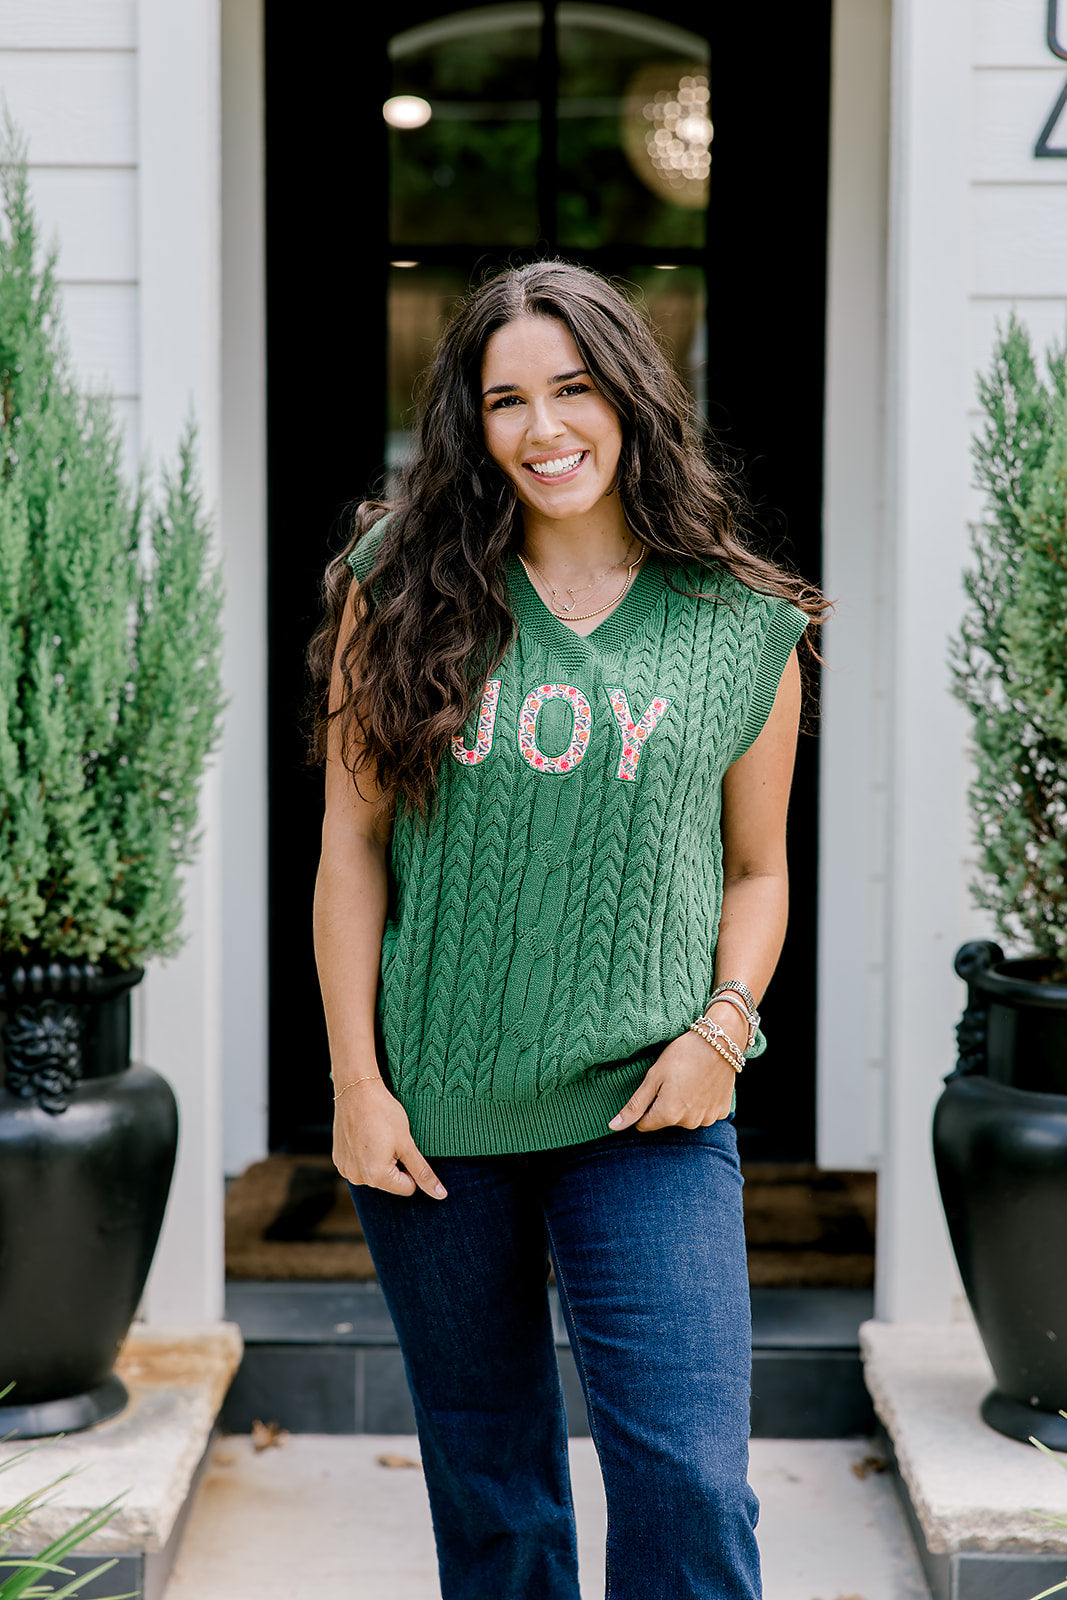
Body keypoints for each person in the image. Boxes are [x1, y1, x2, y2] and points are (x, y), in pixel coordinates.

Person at [309, 260, 827, 1600]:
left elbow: (757, 872)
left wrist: (726, 1029)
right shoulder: (403, 583)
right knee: (496, 1494)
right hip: (437, 1129)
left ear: (632, 397)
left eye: (573, 388)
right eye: (506, 401)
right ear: (470, 427)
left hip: (645, 1115)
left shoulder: (744, 623)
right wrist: (357, 1090)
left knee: (692, 1485)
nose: (544, 428)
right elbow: (350, 854)